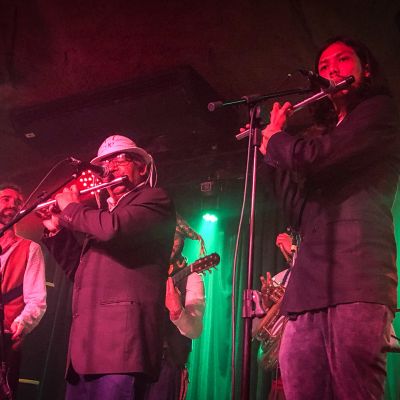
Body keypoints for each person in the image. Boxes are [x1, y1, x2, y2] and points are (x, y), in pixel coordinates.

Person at [258, 37, 400, 399]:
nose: (332, 70)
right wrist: (272, 152)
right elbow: (296, 209)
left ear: (366, 69)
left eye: (342, 60)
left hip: (356, 277)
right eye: (323, 66)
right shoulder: (323, 135)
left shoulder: (379, 112)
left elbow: (319, 157)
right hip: (307, 286)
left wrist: (278, 141)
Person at [40, 135, 176, 400]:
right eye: (104, 165)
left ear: (142, 168)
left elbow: (113, 229)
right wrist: (56, 230)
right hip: (86, 351)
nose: (110, 169)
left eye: (119, 160)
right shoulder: (103, 216)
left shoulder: (153, 200)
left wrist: (72, 209)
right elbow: (81, 272)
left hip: (121, 350)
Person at [145, 214, 205, 400]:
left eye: (176, 237)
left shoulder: (191, 278)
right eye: (166, 236)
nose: (170, 243)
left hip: (166, 365)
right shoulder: (144, 274)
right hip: (136, 359)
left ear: (183, 241)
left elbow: (195, 330)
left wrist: (177, 310)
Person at [0, 183, 47, 399]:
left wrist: (22, 323)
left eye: (17, 203)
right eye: (6, 199)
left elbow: (37, 299)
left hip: (5, 341)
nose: (12, 205)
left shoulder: (30, 249)